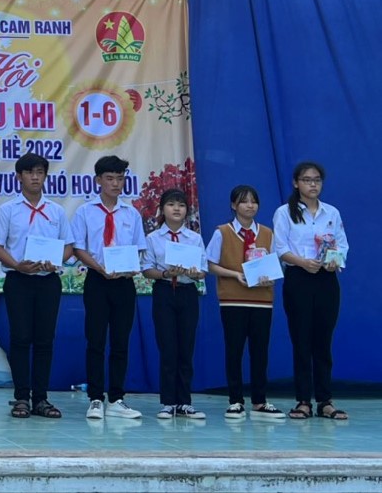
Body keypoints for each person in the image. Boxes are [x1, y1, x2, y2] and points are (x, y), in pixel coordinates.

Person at [0, 154, 72, 419]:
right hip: (19, 280)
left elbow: (69, 246)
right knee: (20, 338)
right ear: (19, 176)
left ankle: (41, 398)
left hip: (48, 282)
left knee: (45, 340)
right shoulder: (8, 209)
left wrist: (56, 262)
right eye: (29, 172)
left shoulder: (56, 211)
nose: (35, 177)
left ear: (45, 176)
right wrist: (17, 265)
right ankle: (22, 397)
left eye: (40, 172)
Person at [71, 155, 147, 420]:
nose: (116, 183)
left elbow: (139, 248)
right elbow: (78, 248)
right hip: (97, 280)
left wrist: (130, 267)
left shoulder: (132, 213)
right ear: (98, 180)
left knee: (120, 342)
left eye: (120, 178)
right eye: (110, 178)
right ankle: (95, 398)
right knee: (95, 340)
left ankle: (116, 399)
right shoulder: (85, 212)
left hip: (124, 283)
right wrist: (100, 267)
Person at [273, 161, 350, 421]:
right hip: (299, 278)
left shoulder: (331, 213)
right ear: (296, 183)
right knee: (302, 340)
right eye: (307, 180)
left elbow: (342, 245)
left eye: (317, 180)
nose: (313, 184)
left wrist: (334, 261)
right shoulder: (285, 213)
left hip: (326, 279)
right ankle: (303, 400)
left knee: (323, 341)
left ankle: (325, 401)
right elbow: (280, 248)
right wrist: (302, 262)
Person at [205, 185, 285, 420]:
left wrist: (269, 277)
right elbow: (209, 264)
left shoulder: (267, 233)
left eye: (254, 201)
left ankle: (260, 401)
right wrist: (235, 275)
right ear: (233, 205)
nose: (250, 205)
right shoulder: (222, 232)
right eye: (244, 201)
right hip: (232, 299)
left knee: (260, 351)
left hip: (262, 300)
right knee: (234, 350)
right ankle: (235, 400)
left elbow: (275, 265)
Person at [141, 188, 207, 420]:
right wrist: (165, 273)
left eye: (181, 205)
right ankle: (168, 402)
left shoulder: (194, 238)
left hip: (188, 292)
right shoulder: (153, 238)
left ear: (187, 210)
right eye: (171, 204)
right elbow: (146, 269)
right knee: (168, 347)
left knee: (186, 348)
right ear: (162, 209)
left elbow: (203, 270)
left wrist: (195, 273)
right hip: (164, 292)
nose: (176, 208)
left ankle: (185, 402)